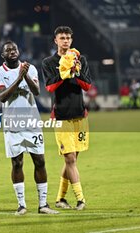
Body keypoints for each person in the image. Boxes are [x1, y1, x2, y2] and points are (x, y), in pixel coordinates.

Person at [0, 40, 59, 215]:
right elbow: (2, 97)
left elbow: (36, 91)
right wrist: (19, 78)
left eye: (14, 48)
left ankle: (43, 205)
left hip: (31, 122)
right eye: (8, 50)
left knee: (40, 161)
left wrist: (25, 75)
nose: (12, 51)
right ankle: (21, 205)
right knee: (17, 163)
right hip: (13, 124)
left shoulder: (31, 68)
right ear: (3, 55)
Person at [42, 26, 92, 210]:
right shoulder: (48, 62)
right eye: (62, 38)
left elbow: (87, 86)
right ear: (55, 40)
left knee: (71, 160)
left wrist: (76, 70)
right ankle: (81, 199)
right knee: (70, 158)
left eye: (69, 38)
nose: (66, 41)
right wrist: (65, 71)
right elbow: (50, 87)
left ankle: (60, 199)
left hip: (80, 115)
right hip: (61, 115)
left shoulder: (81, 60)